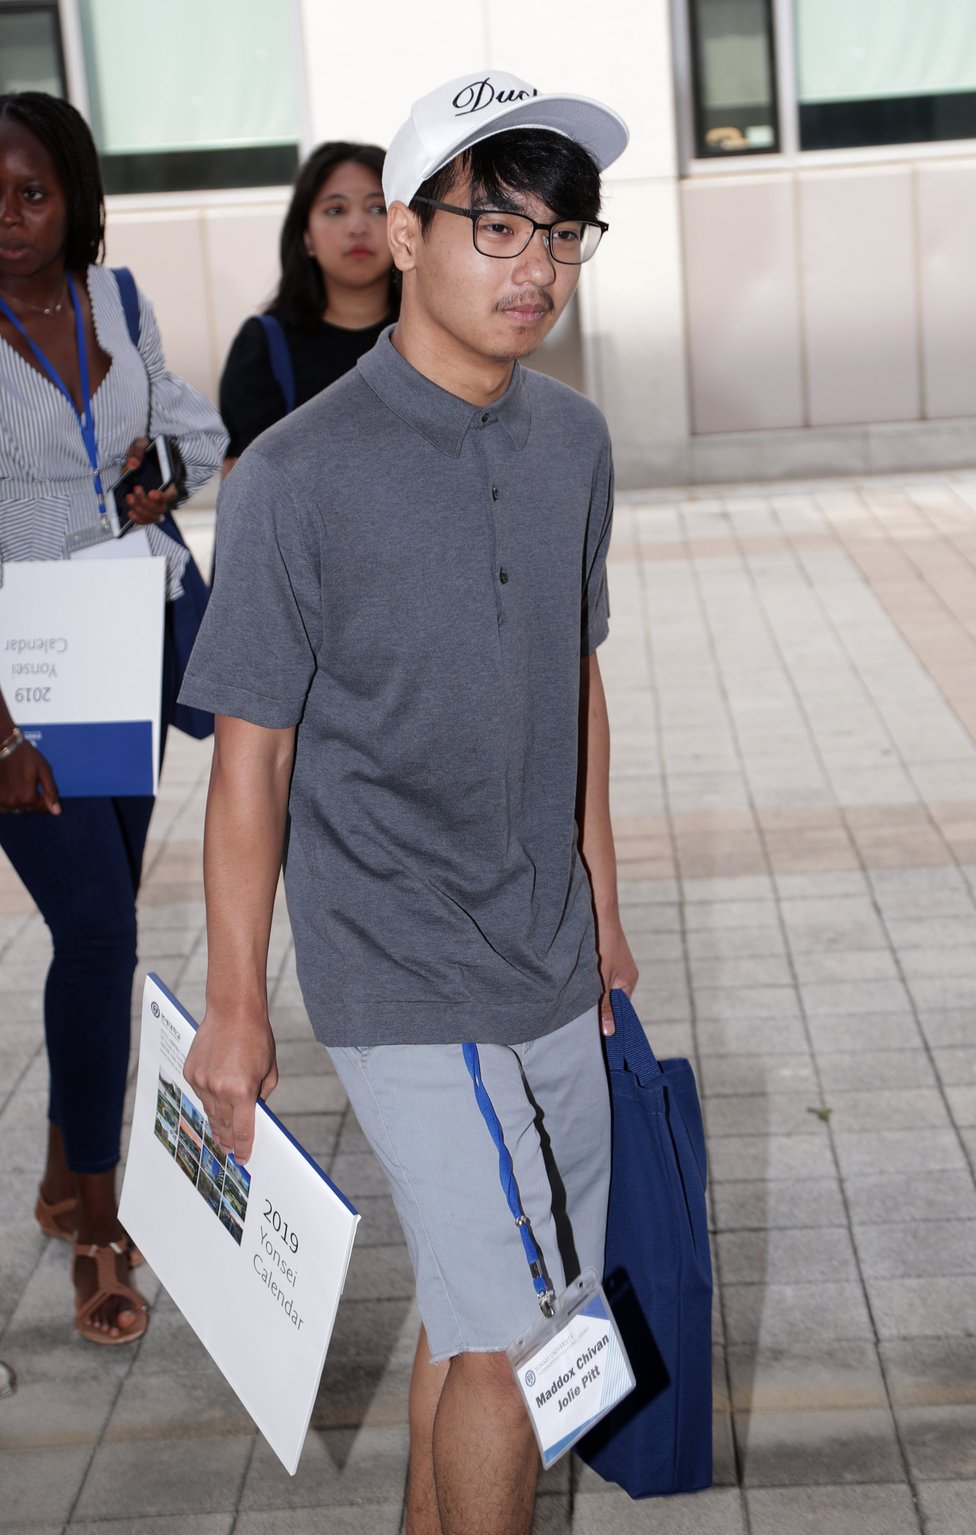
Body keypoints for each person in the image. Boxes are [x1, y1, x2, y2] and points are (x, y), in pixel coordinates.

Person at [179, 70, 635, 1535]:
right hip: (397, 957)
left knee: (471, 1301)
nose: (537, 268)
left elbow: (576, 686)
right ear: (407, 232)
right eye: (497, 228)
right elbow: (247, 755)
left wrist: (606, 914)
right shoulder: (295, 476)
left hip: (548, 951)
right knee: (522, 1333)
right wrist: (237, 1006)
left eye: (563, 234)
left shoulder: (573, 442)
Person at [0, 92, 226, 1345]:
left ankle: (54, 1172)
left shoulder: (117, 302)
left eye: (31, 193)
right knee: (98, 929)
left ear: (75, 196)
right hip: (17, 682)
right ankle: (102, 1226)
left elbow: (196, 427)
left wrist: (164, 476)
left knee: (95, 932)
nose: (10, 220)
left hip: (123, 653)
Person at [218, 140, 397, 473]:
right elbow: (250, 495)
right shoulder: (264, 346)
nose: (357, 227)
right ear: (306, 238)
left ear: (406, 228)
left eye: (377, 209)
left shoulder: (440, 338)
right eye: (335, 210)